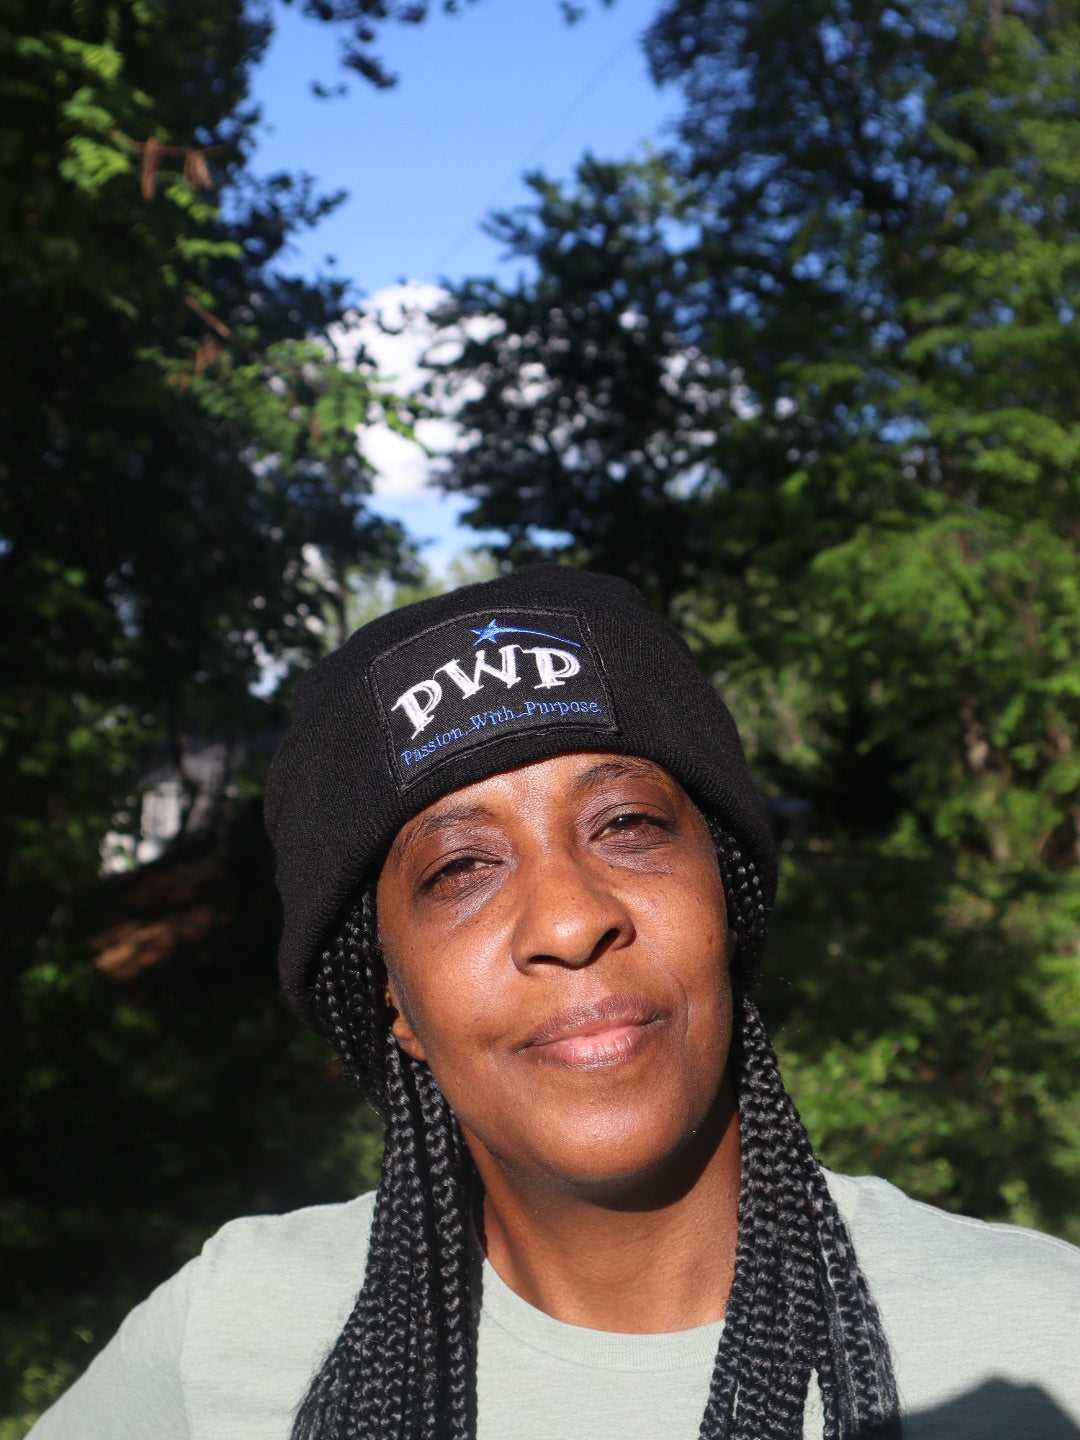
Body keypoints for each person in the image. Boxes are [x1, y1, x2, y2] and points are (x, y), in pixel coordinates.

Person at [29, 566, 1080, 1440]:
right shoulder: (229, 1338)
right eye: (459, 869)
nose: (571, 921)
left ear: (728, 901)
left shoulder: (1038, 1348)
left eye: (628, 824)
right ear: (392, 1000)